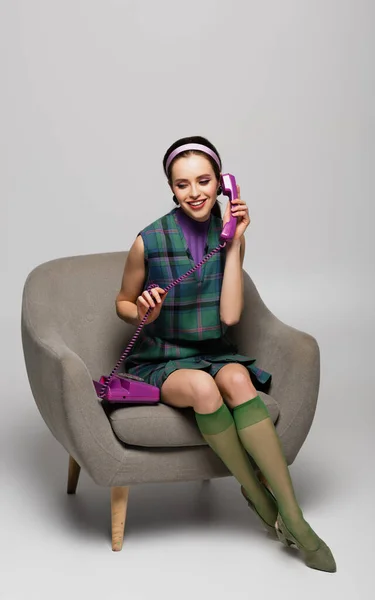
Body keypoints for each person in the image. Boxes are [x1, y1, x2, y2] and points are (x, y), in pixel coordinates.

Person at [115, 136, 336, 573]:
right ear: (171, 189)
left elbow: (231, 315)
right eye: (182, 185)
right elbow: (121, 302)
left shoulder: (227, 235)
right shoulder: (148, 240)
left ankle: (292, 517)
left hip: (213, 349)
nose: (195, 192)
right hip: (161, 357)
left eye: (204, 181)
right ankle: (255, 494)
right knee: (203, 388)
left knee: (236, 379)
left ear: (222, 183)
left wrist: (235, 243)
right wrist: (140, 307)